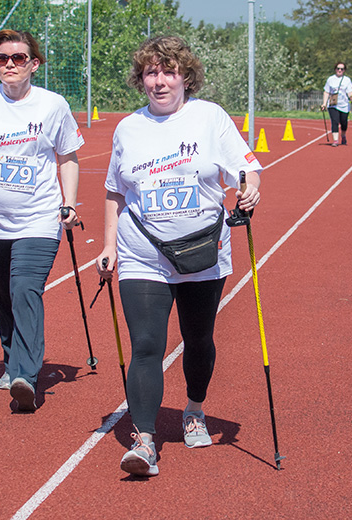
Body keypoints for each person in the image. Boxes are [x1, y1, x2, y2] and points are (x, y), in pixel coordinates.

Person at [95, 36, 262, 477]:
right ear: (141, 79)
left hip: (202, 253)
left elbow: (247, 169)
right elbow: (115, 191)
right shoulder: (128, 128)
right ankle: (145, 441)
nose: (160, 81)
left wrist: (248, 190)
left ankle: (194, 408)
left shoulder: (210, 118)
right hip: (142, 253)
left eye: (169, 71)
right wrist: (109, 245)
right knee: (146, 345)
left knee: (198, 339)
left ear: (185, 76)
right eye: (151, 72)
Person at [0, 29, 84, 412]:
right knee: (2, 294)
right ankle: (11, 359)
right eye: (3, 58)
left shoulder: (53, 105)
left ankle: (25, 373)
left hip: (38, 217)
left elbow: (68, 157)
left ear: (34, 64)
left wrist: (69, 203)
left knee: (25, 288)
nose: (10, 64)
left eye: (18, 58)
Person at [320, 61, 352, 146]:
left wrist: (351, 97)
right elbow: (326, 92)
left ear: (344, 70)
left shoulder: (347, 80)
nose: (339, 70)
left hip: (344, 105)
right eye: (338, 68)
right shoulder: (330, 79)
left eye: (342, 69)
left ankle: (343, 135)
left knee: (344, 122)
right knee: (335, 121)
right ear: (335, 69)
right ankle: (335, 140)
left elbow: (350, 92)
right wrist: (324, 103)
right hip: (333, 104)